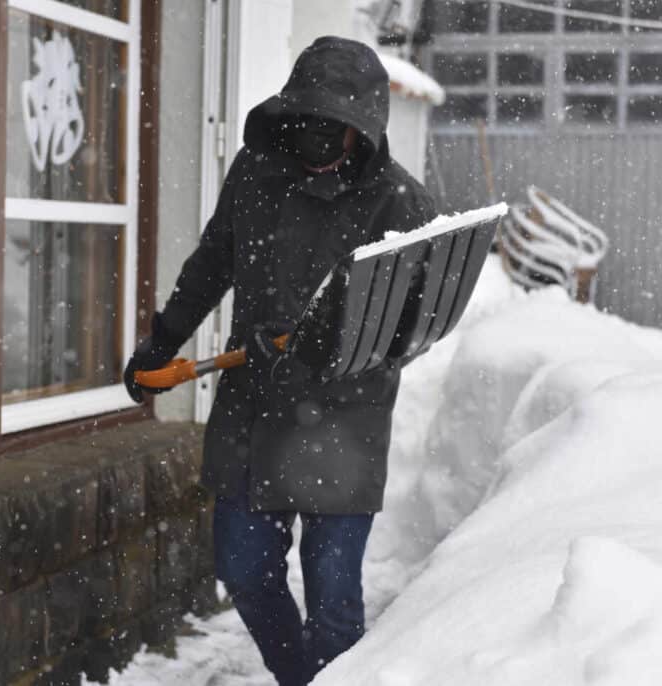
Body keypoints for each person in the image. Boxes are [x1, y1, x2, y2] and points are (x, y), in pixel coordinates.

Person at [124, 36, 436, 686]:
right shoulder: (256, 172)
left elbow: (417, 327)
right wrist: (161, 343)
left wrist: (326, 344)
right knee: (242, 568)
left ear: (364, 130)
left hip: (343, 425)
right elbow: (212, 264)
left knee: (333, 604)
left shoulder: (401, 205)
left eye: (336, 129)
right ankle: (301, 678)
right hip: (253, 412)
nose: (319, 141)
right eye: (309, 124)